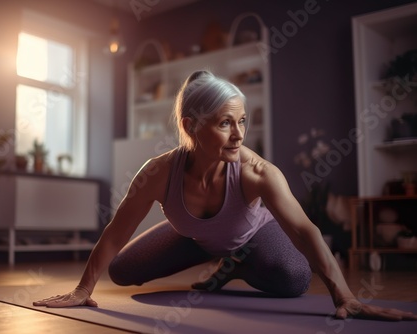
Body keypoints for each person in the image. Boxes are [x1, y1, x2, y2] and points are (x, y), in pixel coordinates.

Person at [34, 70, 416, 321]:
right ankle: (219, 259)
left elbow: (304, 231)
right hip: (193, 238)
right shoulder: (157, 172)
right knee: (121, 271)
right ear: (191, 126)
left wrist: (344, 295)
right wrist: (83, 289)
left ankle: (235, 263)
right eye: (225, 123)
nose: (239, 134)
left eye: (243, 121)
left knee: (293, 279)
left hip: (251, 238)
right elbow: (117, 232)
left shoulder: (257, 173)